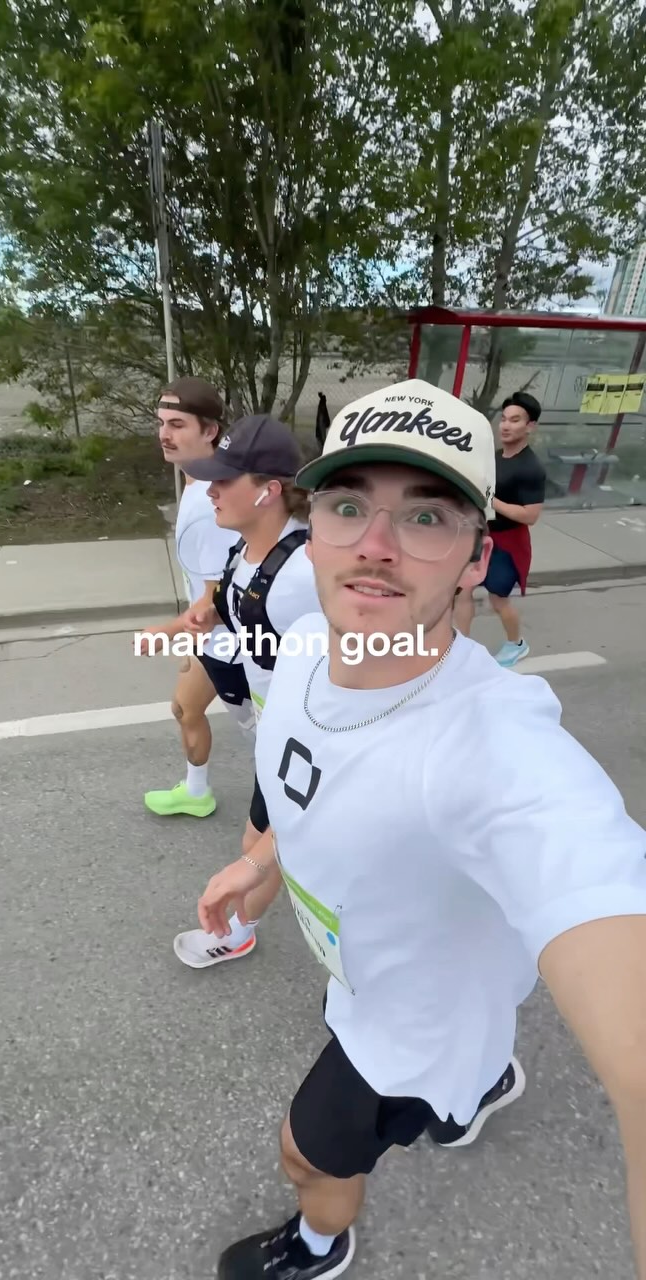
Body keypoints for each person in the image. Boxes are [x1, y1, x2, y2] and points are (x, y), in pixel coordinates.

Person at [197, 378, 646, 1280]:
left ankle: (319, 1245)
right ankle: (479, 1086)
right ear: (311, 523)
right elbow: (325, 775)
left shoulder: (495, 746)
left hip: (410, 1029)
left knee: (305, 1153)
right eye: (347, 505)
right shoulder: (309, 649)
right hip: (365, 973)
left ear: (477, 559)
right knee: (455, 1074)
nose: (374, 544)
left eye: (427, 517)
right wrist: (268, 860)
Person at [172, 413, 322, 969]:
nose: (210, 489)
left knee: (260, 847)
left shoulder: (303, 575)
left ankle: (240, 931)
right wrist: (207, 618)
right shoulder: (245, 550)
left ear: (269, 491)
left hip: (302, 740)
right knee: (263, 843)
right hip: (272, 728)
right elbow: (242, 617)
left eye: (225, 479)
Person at [139, 377, 255, 820]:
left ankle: (292, 820)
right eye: (161, 423)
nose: (164, 434)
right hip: (213, 640)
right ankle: (196, 791)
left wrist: (166, 632)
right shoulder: (197, 488)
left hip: (237, 647)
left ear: (210, 431)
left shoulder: (209, 507)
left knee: (268, 740)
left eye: (177, 424)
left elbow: (215, 600)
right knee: (185, 708)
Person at [454, 391, 546, 666]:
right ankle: (460, 645)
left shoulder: (531, 468)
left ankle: (517, 644)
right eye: (504, 419)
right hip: (482, 535)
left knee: (498, 600)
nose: (505, 425)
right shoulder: (495, 457)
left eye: (515, 420)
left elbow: (530, 515)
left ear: (530, 426)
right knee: (464, 588)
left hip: (508, 544)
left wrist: (492, 501)